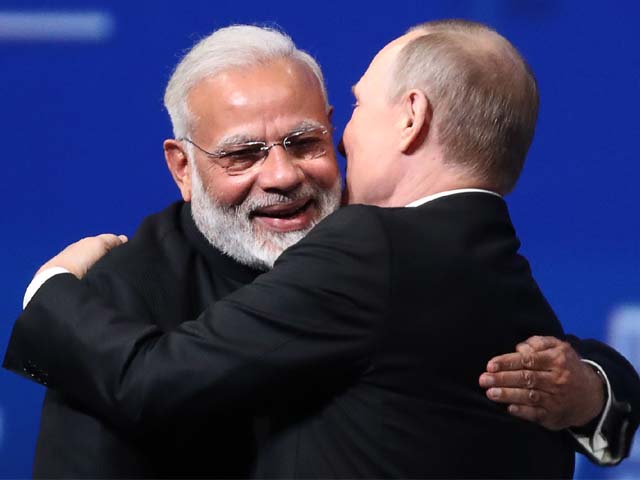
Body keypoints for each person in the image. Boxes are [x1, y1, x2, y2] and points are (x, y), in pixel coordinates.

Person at [4, 21, 639, 477]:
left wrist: (590, 389)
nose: (282, 176)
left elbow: (504, 336)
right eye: (243, 153)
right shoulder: (121, 298)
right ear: (182, 167)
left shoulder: (388, 246)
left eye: (307, 141)